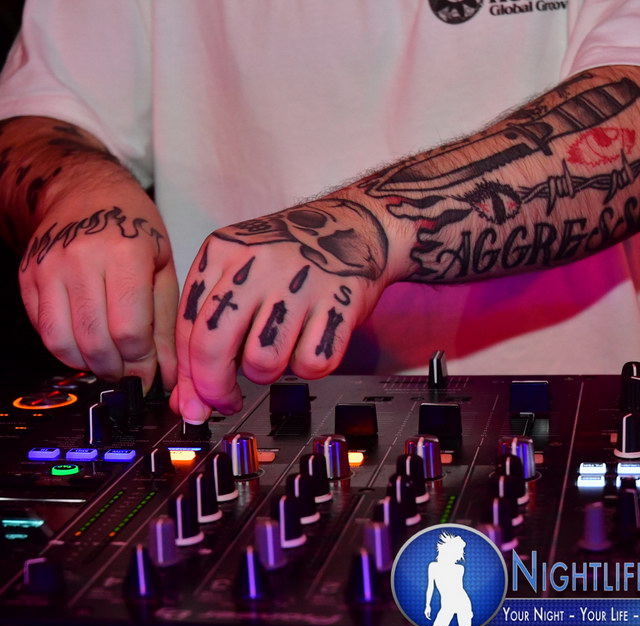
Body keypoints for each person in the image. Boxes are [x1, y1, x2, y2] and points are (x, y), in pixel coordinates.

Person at [0, 1, 639, 421]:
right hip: (232, 420)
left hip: (566, 411)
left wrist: (370, 227)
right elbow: (41, 114)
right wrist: (75, 190)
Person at [424, 532, 472, 626]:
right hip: (446, 605)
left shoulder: (459, 568)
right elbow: (430, 587)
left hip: (462, 603)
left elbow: (458, 589)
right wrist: (427, 605)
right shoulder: (433, 566)